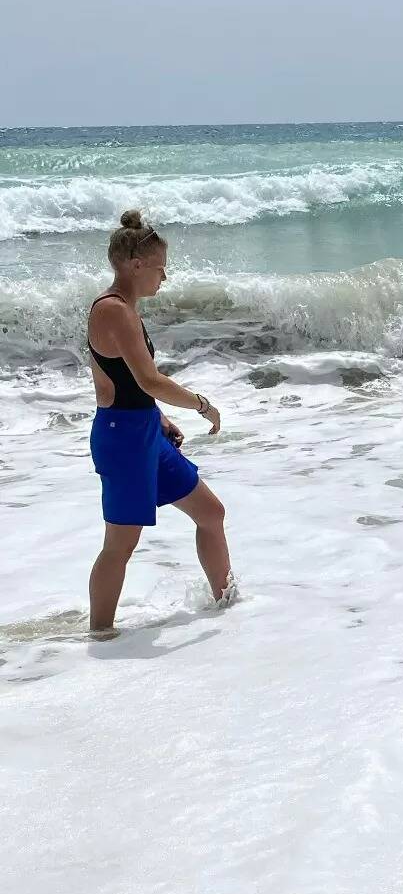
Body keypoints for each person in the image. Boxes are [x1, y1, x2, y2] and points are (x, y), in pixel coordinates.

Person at [87, 210, 231, 631]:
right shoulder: (112, 310)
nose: (163, 279)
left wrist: (160, 417)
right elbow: (149, 380)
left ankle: (228, 605)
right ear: (136, 265)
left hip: (145, 430)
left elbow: (120, 380)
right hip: (123, 439)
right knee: (120, 544)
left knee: (211, 512)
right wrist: (201, 404)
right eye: (160, 269)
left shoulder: (126, 309)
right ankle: (100, 635)